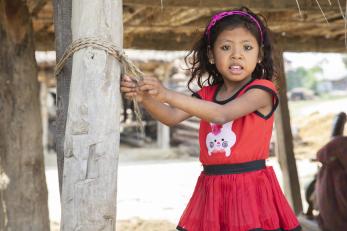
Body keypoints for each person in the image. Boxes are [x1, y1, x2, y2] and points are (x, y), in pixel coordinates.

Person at [121, 6, 301, 231]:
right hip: (212, 188)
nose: (237, 54)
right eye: (226, 47)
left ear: (260, 55)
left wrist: (166, 94)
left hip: (250, 188)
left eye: (247, 47)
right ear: (211, 55)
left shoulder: (262, 90)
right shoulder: (206, 94)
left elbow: (221, 114)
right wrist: (145, 99)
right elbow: (171, 117)